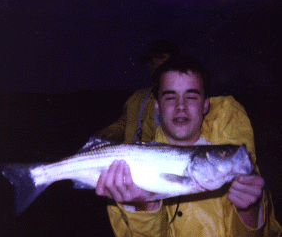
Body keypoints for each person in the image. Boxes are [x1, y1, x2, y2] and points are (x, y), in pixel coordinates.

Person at [95, 56, 282, 237]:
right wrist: (144, 208)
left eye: (191, 96)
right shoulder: (124, 177)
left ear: (205, 104)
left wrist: (250, 211)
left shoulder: (236, 171)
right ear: (156, 106)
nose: (180, 106)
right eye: (170, 96)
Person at [94, 39, 257, 166]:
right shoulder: (137, 98)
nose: (154, 63)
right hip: (133, 167)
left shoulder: (214, 109)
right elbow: (123, 123)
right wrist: (100, 137)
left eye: (160, 58)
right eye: (150, 60)